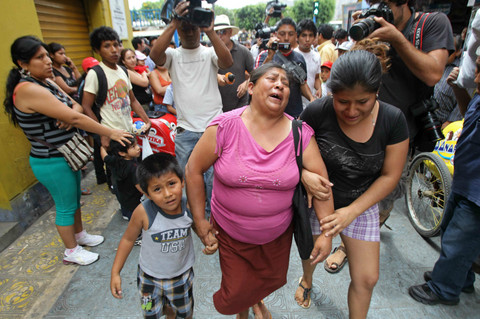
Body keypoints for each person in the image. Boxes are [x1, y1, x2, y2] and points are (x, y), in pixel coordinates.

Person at [185, 62, 334, 318]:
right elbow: (193, 170)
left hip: (276, 236)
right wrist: (200, 221)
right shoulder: (224, 127)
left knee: (265, 280)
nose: (280, 85)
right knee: (236, 292)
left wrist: (327, 234)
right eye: (273, 79)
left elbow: (322, 186)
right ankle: (245, 309)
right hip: (231, 234)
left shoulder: (300, 134)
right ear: (251, 88)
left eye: (285, 84)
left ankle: (255, 301)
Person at [296, 50, 409, 318]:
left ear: (377, 91)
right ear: (331, 92)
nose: (352, 110)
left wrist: (351, 212)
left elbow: (389, 176)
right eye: (342, 101)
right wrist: (303, 174)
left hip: (362, 202)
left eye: (362, 101)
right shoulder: (316, 112)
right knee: (313, 252)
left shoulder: (393, 121)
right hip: (318, 200)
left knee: (367, 278)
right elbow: (289, 150)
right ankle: (307, 279)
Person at [4, 35, 132, 265]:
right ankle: (71, 251)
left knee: (74, 198)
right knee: (65, 205)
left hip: (65, 155)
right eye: (39, 58)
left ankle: (80, 235)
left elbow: (73, 103)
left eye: (46, 55)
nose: (48, 61)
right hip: (51, 159)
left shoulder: (45, 82)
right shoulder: (26, 89)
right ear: (22, 63)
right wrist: (109, 132)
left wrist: (68, 112)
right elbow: (75, 115)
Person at [408, 54, 480, 306]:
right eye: (478, 69)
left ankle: (444, 288)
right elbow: (466, 112)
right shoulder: (478, 98)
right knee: (451, 229)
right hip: (464, 177)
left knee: (459, 238)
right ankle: (461, 277)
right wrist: (459, 88)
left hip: (476, 190)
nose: (478, 78)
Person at [149, 1, 233, 218]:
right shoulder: (173, 56)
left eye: (192, 27)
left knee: (215, 179)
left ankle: (214, 215)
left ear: (199, 29)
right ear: (178, 29)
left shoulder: (209, 53)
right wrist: (173, 23)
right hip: (186, 131)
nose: (188, 31)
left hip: (213, 129)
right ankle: (198, 218)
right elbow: (155, 56)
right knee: (190, 179)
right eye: (183, 27)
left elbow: (227, 61)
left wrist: (211, 32)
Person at [110, 153, 217, 319]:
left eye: (171, 183)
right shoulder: (143, 213)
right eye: (157, 189)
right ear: (146, 193)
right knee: (149, 312)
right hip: (148, 281)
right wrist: (115, 272)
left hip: (181, 277)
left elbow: (196, 226)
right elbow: (128, 239)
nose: (167, 194)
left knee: (185, 313)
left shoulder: (188, 206)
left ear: (182, 182)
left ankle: (171, 312)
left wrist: (207, 240)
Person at [81, 26, 151, 150]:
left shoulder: (123, 71)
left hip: (128, 132)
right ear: (97, 50)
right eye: (107, 46)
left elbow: (133, 100)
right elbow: (86, 106)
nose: (113, 50)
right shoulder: (96, 73)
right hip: (111, 136)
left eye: (116, 45)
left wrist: (147, 121)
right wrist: (103, 133)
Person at [255, 17, 315, 118]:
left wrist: (311, 98)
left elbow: (302, 83)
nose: (286, 38)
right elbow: (255, 81)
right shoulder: (264, 56)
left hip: (295, 116)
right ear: (275, 35)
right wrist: (270, 56)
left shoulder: (299, 58)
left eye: (290, 34)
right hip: (270, 115)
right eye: (282, 34)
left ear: (296, 36)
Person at [214, 15, 254, 112]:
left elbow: (255, 73)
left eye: (223, 32)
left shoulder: (243, 52)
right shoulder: (209, 53)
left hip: (240, 106)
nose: (220, 36)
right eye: (216, 32)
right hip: (216, 107)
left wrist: (246, 82)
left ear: (230, 32)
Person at [100, 137, 142, 221]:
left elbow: (104, 157)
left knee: (125, 205)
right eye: (133, 147)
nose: (138, 148)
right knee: (136, 218)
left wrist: (102, 147)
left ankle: (125, 214)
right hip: (134, 200)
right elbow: (140, 187)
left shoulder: (114, 160)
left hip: (121, 194)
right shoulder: (134, 168)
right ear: (122, 153)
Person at [294, 18, 322, 107]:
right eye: (304, 35)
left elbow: (316, 77)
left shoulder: (316, 56)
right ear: (297, 37)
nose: (307, 39)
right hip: (295, 105)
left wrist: (319, 88)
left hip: (310, 103)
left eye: (310, 35)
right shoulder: (293, 56)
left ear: (314, 37)